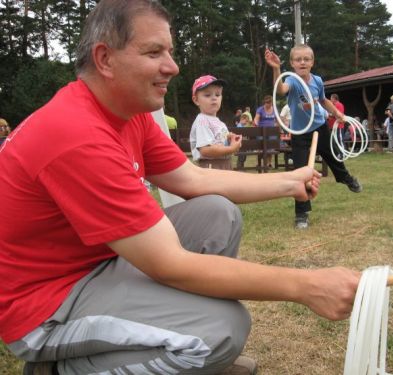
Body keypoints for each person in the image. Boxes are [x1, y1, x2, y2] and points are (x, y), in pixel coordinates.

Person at [0, 2, 360, 374]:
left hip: (98, 263)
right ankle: (62, 370)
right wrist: (306, 286)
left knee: (216, 212)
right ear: (105, 59)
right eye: (154, 52)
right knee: (222, 329)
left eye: (169, 51)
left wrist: (288, 181)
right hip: (44, 307)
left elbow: (193, 179)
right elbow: (169, 263)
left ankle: (180, 348)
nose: (172, 66)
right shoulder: (77, 134)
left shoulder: (128, 114)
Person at [265, 44, 362, 230]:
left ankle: (346, 178)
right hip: (300, 133)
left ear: (312, 62)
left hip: (319, 127)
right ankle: (302, 214)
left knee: (333, 157)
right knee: (300, 172)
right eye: (298, 59)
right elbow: (280, 89)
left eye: (306, 59)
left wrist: (336, 114)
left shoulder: (317, 80)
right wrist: (276, 68)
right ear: (292, 64)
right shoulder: (292, 81)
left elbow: (323, 101)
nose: (302, 62)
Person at [189, 75, 242, 170]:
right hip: (212, 166)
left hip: (224, 163)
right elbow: (205, 150)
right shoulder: (202, 121)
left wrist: (230, 139)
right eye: (207, 95)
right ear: (196, 100)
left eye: (217, 94)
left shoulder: (219, 122)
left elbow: (219, 141)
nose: (214, 98)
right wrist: (231, 149)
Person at [253, 95, 277, 168]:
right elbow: (256, 119)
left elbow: (277, 120)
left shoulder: (275, 110)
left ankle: (269, 163)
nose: (267, 104)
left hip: (271, 132)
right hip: (261, 131)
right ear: (264, 102)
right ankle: (260, 163)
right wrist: (255, 123)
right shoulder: (260, 109)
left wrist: (277, 126)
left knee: (271, 146)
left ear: (272, 103)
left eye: (269, 103)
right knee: (260, 147)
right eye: (266, 103)